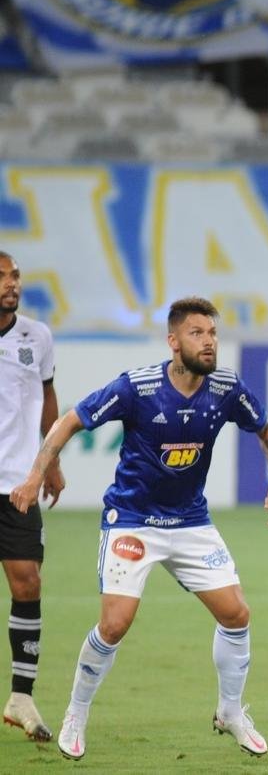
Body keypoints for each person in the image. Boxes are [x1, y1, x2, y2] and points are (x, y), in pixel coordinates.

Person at [10, 296, 268, 761]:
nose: (208, 341)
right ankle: (76, 713)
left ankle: (230, 712)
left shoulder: (225, 387)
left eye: (213, 333)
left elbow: (267, 431)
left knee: (237, 615)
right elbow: (70, 421)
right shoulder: (136, 387)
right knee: (115, 624)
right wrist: (37, 472)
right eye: (197, 333)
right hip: (133, 520)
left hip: (191, 521)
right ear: (173, 341)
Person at [0, 251, 61, 742]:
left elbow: (49, 396)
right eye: (1, 276)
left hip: (18, 484)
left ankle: (21, 697)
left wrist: (52, 462)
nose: (11, 283)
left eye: (15, 275)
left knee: (28, 583)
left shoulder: (36, 336)